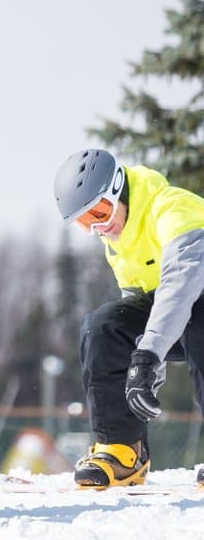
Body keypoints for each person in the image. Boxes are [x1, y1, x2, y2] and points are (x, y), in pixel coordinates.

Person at [53, 148, 204, 489]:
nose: (99, 227)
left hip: (197, 305)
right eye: (85, 222)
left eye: (102, 211)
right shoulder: (119, 239)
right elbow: (140, 310)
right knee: (105, 327)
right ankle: (121, 451)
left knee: (199, 319)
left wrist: (147, 358)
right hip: (184, 313)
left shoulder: (173, 209)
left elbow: (181, 290)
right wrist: (145, 377)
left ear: (118, 186)